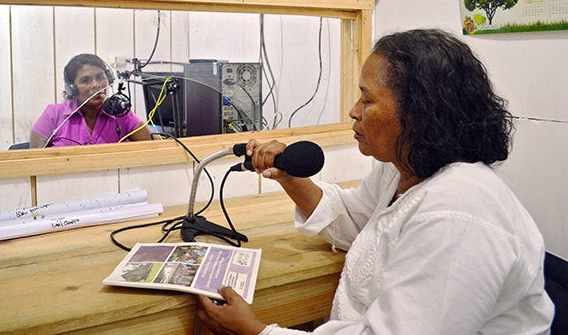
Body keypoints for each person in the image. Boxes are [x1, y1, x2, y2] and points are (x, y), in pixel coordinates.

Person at [196, 29, 554, 334]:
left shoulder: (457, 217)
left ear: (418, 113)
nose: (354, 111)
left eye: (367, 100)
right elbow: (353, 220)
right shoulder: (404, 167)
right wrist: (288, 176)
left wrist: (258, 331)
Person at [30, 53, 151, 148]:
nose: (96, 85)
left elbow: (156, 146)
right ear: (73, 89)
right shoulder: (54, 115)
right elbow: (33, 161)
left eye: (100, 77)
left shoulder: (120, 112)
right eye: (85, 80)